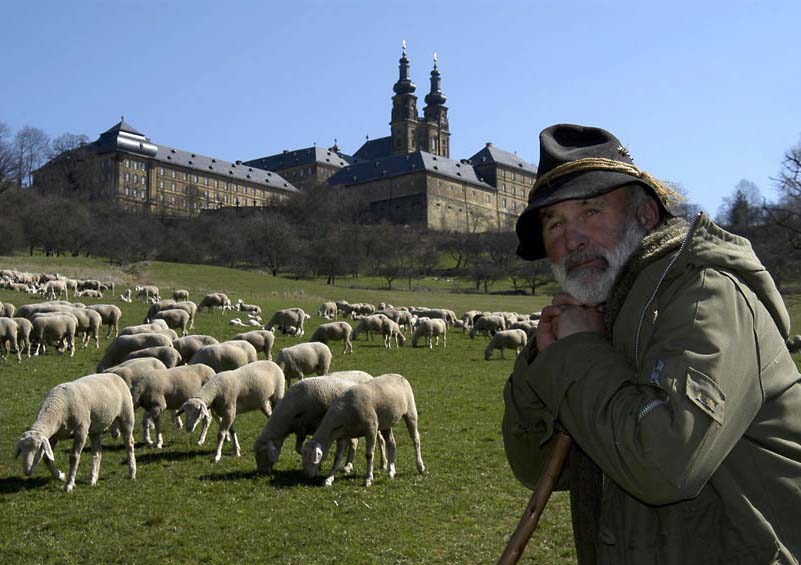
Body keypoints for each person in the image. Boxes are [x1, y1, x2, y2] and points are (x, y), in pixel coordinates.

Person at [503, 123, 801, 564]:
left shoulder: (705, 294)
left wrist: (578, 355)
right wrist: (539, 368)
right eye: (555, 223)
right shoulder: (603, 318)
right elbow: (539, 468)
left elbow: (665, 466)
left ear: (644, 215)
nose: (572, 239)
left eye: (591, 211)